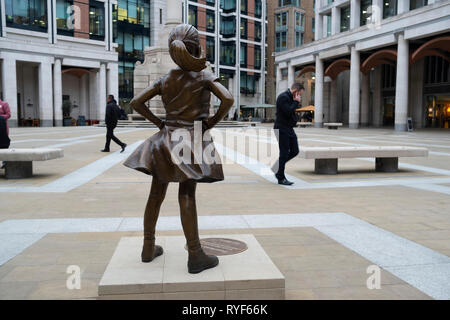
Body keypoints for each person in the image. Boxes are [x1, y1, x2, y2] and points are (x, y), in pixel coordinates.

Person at [123, 24, 234, 274]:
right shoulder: (203, 76)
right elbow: (227, 99)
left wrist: (160, 123)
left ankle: (148, 247)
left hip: (163, 139)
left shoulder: (167, 78)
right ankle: (195, 255)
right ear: (195, 48)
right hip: (190, 139)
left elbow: (136, 103)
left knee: (155, 194)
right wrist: (211, 123)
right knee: (187, 193)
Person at [273, 83, 304, 185]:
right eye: (299, 94)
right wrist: (296, 102)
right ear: (295, 91)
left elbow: (291, 112)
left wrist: (295, 103)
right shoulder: (283, 97)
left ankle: (277, 167)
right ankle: (280, 177)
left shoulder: (290, 98)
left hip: (289, 128)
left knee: (295, 150)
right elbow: (288, 111)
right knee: (284, 152)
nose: (300, 97)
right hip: (281, 128)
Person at [0, 99, 11, 169]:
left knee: (3, 144)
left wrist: (0, 117)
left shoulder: (4, 104)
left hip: (2, 127)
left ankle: (5, 162)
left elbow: (8, 114)